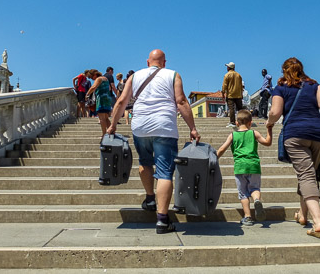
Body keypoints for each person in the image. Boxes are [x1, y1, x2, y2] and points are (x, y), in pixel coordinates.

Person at [106, 49, 200, 234]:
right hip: (164, 126)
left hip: (140, 126)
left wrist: (113, 125)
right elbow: (181, 101)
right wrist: (193, 128)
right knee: (165, 172)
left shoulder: (135, 76)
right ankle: (162, 220)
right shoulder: (173, 75)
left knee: (145, 162)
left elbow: (121, 101)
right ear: (164, 62)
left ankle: (150, 198)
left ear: (148, 62)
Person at [266, 57, 320, 238]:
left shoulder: (281, 88)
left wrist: (269, 123)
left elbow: (275, 112)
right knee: (310, 174)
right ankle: (303, 215)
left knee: (306, 175)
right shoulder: (315, 85)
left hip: (295, 133)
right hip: (319, 134)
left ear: (284, 70)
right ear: (301, 69)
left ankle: (318, 223)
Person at [217, 109, 272, 226]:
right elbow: (267, 142)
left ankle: (247, 217)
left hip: (240, 167)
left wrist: (214, 158)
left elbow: (222, 149)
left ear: (236, 123)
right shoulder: (254, 133)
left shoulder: (232, 135)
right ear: (250, 123)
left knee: (243, 193)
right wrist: (269, 129)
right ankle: (257, 200)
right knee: (255, 188)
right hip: (254, 166)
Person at [85, 69, 112, 136]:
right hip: (107, 99)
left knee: (102, 118)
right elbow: (110, 89)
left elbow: (93, 87)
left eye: (91, 77)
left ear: (95, 75)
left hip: (101, 100)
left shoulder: (98, 79)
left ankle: (104, 134)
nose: (92, 79)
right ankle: (110, 133)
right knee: (106, 118)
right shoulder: (105, 79)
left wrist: (87, 94)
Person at [222, 62, 243, 127]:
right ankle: (242, 121)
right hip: (238, 94)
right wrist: (241, 94)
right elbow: (241, 86)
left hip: (230, 94)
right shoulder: (238, 75)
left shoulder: (227, 75)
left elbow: (224, 85)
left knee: (231, 109)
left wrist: (223, 93)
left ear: (229, 67)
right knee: (240, 109)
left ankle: (232, 122)